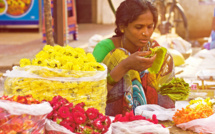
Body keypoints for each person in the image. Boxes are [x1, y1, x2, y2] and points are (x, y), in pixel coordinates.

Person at [93, 0, 175, 116]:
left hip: (150, 116)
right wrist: (125, 66)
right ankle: (129, 117)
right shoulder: (104, 48)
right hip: (111, 114)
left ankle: (162, 115)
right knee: (120, 55)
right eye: (139, 27)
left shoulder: (151, 47)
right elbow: (93, 92)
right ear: (122, 27)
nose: (146, 33)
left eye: (150, 27)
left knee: (164, 57)